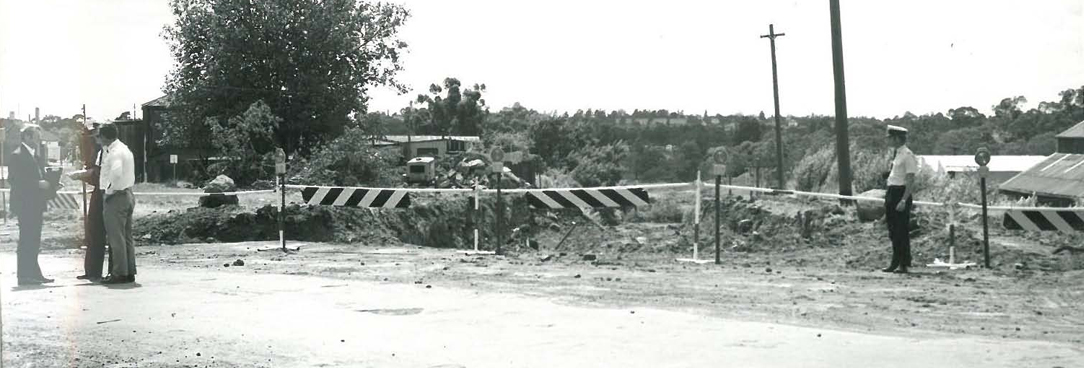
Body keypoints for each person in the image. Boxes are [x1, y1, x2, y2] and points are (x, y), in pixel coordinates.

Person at [10, 124, 54, 286]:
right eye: (36, 137)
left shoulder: (35, 156)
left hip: (35, 203)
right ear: (27, 137)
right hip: (25, 204)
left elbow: (39, 176)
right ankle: (24, 275)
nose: (38, 140)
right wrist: (37, 184)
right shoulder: (18, 155)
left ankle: (34, 273)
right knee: (26, 239)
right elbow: (14, 180)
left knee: (34, 239)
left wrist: (52, 184)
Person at [98, 124, 137, 284]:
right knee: (126, 236)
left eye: (99, 136)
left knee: (116, 238)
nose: (99, 140)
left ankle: (119, 272)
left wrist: (108, 191)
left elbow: (116, 172)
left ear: (105, 137)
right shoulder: (124, 149)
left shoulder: (114, 153)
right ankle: (129, 271)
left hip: (116, 197)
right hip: (127, 194)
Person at [70, 124, 109, 281]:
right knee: (94, 231)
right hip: (99, 193)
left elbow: (98, 174)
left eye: (96, 136)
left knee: (103, 232)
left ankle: (107, 271)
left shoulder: (105, 152)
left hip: (105, 193)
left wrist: (82, 174)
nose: (95, 140)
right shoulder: (97, 151)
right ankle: (92, 271)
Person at [883, 125, 918, 274]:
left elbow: (910, 179)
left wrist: (904, 200)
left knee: (900, 230)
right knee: (893, 229)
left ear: (897, 138)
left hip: (900, 192)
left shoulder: (907, 155)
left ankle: (902, 263)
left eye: (890, 137)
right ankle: (897, 260)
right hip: (892, 191)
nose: (888, 140)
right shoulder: (897, 154)